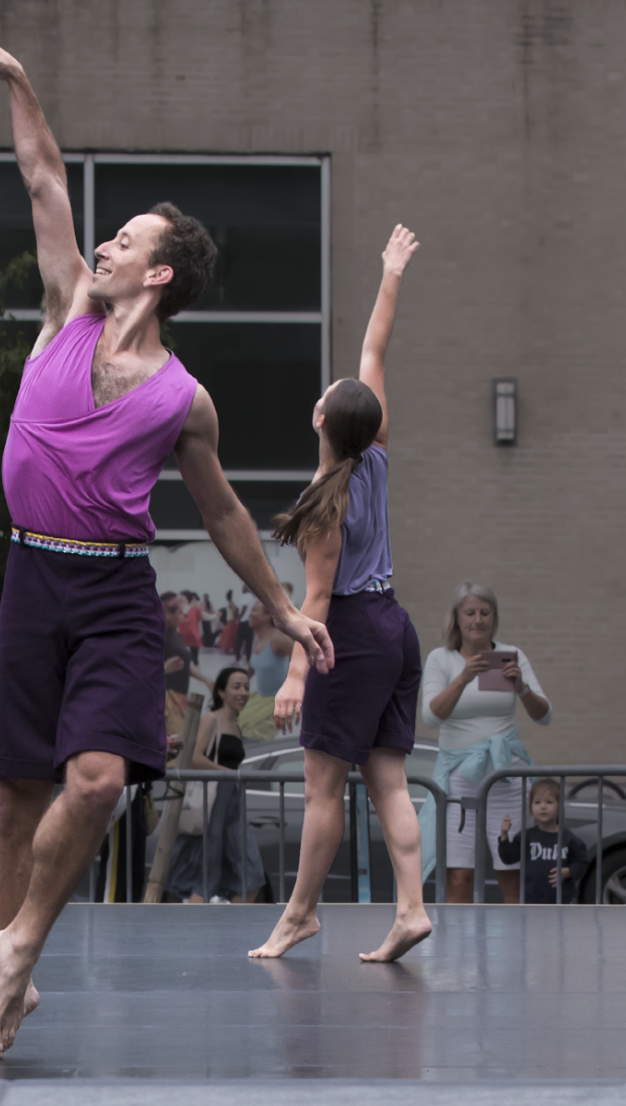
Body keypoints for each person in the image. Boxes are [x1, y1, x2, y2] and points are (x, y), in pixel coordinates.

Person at [0, 33, 333, 1060]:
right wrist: (21, 79)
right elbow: (39, 177)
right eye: (103, 236)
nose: (101, 247)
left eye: (123, 240)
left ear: (157, 272)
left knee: (100, 777)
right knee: (13, 794)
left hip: (112, 588)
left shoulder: (181, 398)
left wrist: (283, 606)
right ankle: (5, 978)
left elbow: (222, 516)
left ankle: (18, 945)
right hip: (28, 573)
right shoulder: (66, 310)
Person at [250, 224, 428, 963]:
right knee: (387, 778)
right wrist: (390, 274)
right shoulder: (376, 455)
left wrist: (294, 674)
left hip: (349, 636)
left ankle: (299, 915)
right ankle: (411, 908)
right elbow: (374, 353)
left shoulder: (325, 499)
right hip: (395, 626)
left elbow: (315, 601)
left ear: (321, 419)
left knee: (323, 787)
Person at [418, 580, 552, 903]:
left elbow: (544, 715)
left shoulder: (512, 655)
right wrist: (463, 678)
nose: (478, 620)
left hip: (504, 772)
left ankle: (517, 947)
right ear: (457, 618)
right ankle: (457, 951)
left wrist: (521, 688)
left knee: (511, 869)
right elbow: (431, 716)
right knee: (460, 874)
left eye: (485, 612)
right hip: (460, 776)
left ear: (494, 617)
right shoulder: (442, 659)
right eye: (470, 613)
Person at [165, 667, 266, 904]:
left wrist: (233, 779)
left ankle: (231, 929)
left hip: (231, 803)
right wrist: (231, 775)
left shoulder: (236, 726)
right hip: (213, 801)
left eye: (246, 687)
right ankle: (196, 933)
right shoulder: (212, 719)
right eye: (236, 687)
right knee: (205, 875)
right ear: (221, 691)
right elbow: (195, 757)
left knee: (251, 875)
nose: (243, 692)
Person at [497, 780, 586, 905]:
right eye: (537, 802)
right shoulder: (526, 836)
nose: (543, 806)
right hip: (531, 898)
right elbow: (508, 858)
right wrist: (504, 835)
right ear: (531, 807)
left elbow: (582, 862)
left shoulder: (568, 838)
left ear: (559, 807)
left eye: (549, 802)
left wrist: (569, 871)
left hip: (562, 900)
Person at [237, 603, 292, 740]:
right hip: (260, 697)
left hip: (275, 701)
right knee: (236, 722)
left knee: (250, 733)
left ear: (268, 616)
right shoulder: (257, 637)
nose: (249, 614)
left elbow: (303, 659)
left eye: (254, 611)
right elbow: (254, 668)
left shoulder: (278, 639)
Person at [161, 591, 211, 738]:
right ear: (167, 614)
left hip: (181, 696)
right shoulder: (157, 638)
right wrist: (164, 669)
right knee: (177, 744)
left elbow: (185, 665)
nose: (182, 616)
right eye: (179, 613)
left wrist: (206, 680)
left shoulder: (177, 636)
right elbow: (141, 671)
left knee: (187, 741)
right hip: (167, 700)